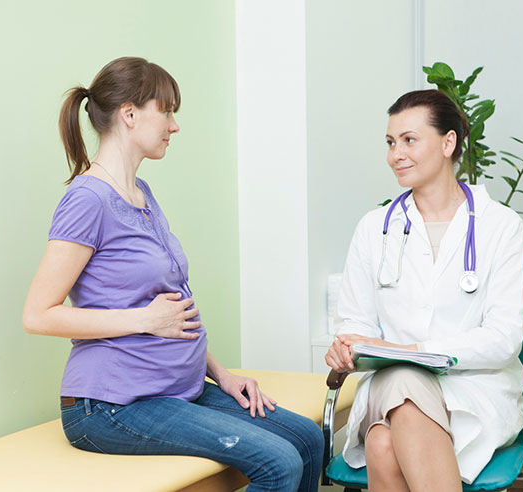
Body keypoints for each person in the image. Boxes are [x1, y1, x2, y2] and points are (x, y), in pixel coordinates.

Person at [22, 57, 323, 492]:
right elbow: (38, 314)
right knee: (278, 464)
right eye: (165, 111)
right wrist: (143, 319)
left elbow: (172, 308)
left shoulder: (141, 193)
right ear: (129, 114)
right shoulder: (88, 200)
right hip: (110, 405)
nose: (174, 125)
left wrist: (220, 373)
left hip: (176, 387)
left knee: (308, 439)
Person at [324, 89, 523, 491]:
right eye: (390, 142)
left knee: (383, 443)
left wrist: (414, 351)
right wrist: (346, 347)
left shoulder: (500, 226)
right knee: (403, 381)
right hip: (390, 385)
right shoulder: (374, 228)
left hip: (472, 391)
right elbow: (355, 322)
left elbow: (504, 339)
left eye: (409, 140)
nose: (395, 154)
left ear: (448, 143)